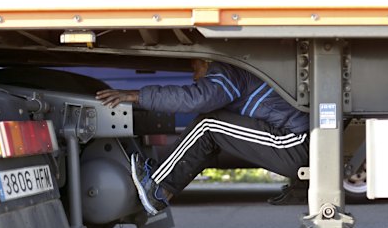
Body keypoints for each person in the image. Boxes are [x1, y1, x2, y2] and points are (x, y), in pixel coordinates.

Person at [96, 60, 309, 215]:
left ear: (207, 61)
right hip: (296, 141)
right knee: (212, 131)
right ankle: (161, 191)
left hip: (295, 142)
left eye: (194, 68)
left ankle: (158, 189)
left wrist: (137, 96)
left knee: (208, 125)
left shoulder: (227, 72)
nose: (194, 76)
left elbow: (196, 100)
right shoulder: (239, 73)